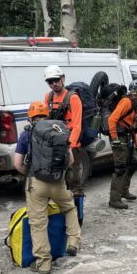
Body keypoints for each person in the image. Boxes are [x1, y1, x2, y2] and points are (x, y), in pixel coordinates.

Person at [13, 101, 82, 274]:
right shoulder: (58, 130)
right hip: (58, 182)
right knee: (69, 208)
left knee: (38, 223)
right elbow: (71, 160)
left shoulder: (26, 135)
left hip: (36, 183)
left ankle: (44, 263)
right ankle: (73, 242)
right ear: (47, 115)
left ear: (30, 117)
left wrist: (30, 174)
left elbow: (17, 164)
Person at [43, 65, 86, 203]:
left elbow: (77, 126)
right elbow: (45, 122)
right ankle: (58, 215)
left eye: (56, 80)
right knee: (54, 182)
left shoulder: (73, 98)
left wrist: (69, 147)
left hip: (71, 145)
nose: (54, 84)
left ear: (63, 78)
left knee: (73, 181)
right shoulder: (48, 97)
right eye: (50, 81)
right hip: (55, 145)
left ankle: (77, 217)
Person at [108, 80, 137, 209]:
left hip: (128, 137)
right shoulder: (126, 102)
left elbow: (131, 127)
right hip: (119, 138)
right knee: (120, 168)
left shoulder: (135, 104)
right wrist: (115, 139)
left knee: (134, 163)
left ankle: (123, 191)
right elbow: (112, 119)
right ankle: (114, 199)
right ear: (136, 92)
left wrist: (135, 144)